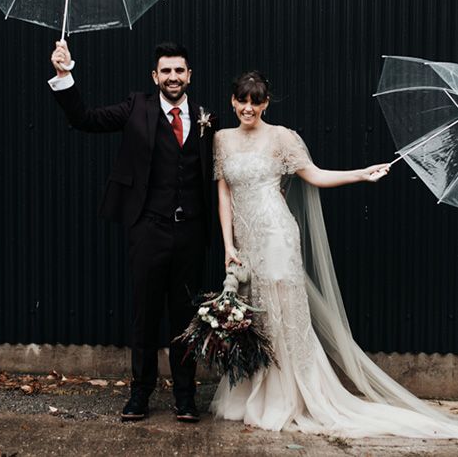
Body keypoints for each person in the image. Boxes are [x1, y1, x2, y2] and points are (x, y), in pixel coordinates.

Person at [211, 70, 458, 438]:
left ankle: (287, 398)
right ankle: (257, 391)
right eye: (242, 100)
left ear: (265, 103)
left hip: (277, 234)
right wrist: (229, 245)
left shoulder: (282, 137)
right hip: (246, 240)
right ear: (233, 101)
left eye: (256, 101)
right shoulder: (222, 139)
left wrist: (361, 174)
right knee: (259, 316)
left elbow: (315, 175)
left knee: (284, 315)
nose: (249, 108)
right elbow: (224, 195)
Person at [49, 40, 216, 422]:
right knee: (145, 314)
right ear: (154, 76)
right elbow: (85, 119)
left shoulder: (208, 117)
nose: (173, 77)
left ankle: (186, 397)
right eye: (166, 71)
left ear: (190, 75)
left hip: (190, 234)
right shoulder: (136, 107)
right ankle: (140, 393)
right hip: (148, 230)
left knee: (185, 318)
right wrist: (64, 75)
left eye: (179, 70)